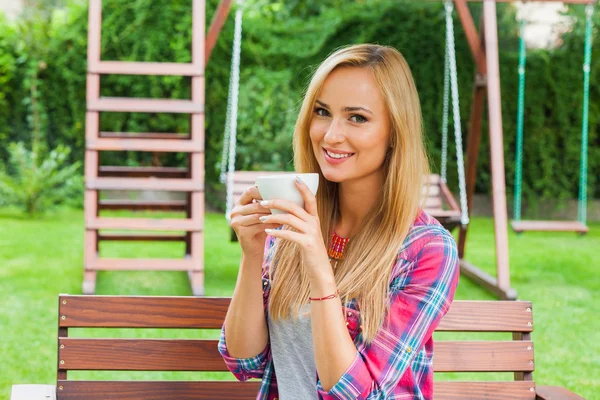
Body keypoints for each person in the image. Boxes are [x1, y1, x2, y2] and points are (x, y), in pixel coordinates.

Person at [218, 43, 460, 400]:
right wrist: (252, 255)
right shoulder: (297, 223)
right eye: (322, 112)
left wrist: (319, 270)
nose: (331, 135)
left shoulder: (426, 251)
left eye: (357, 117)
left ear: (395, 132)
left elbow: (357, 394)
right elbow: (244, 362)